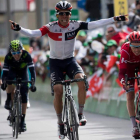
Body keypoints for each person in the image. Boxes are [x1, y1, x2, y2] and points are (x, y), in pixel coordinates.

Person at [9, 1, 128, 139]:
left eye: (67, 14)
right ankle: (60, 123)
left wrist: (113, 19)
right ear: (57, 15)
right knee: (58, 90)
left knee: (82, 81)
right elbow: (33, 33)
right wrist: (19, 29)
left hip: (70, 61)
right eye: (62, 14)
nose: (65, 17)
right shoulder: (51, 27)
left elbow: (95, 24)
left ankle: (81, 113)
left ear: (70, 14)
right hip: (55, 63)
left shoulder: (75, 25)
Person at [1, 40, 36, 132]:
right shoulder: (8, 57)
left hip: (23, 72)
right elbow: (5, 72)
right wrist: (4, 82)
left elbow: (32, 71)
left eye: (18, 52)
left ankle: (23, 121)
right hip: (12, 71)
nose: (16, 55)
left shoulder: (26, 55)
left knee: (24, 94)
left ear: (22, 50)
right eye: (14, 53)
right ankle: (9, 99)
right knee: (9, 81)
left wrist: (33, 83)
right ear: (11, 52)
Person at [119, 31, 140, 137]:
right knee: (130, 94)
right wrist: (125, 83)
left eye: (139, 47)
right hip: (128, 68)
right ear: (129, 44)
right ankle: (134, 127)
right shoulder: (125, 49)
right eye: (134, 47)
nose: (136, 50)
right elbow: (121, 73)